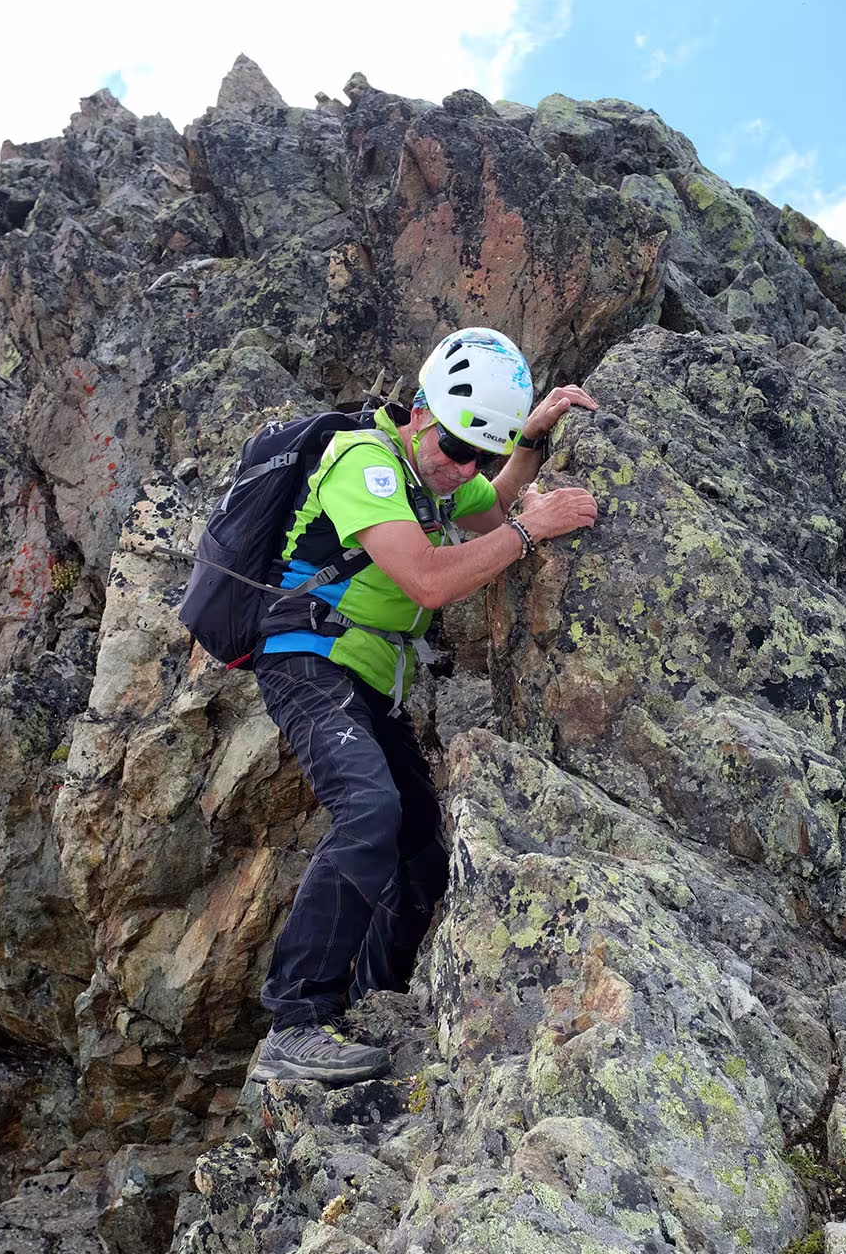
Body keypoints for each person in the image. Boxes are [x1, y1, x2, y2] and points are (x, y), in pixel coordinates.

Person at [248, 327, 598, 1085]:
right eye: (454, 447)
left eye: (479, 452)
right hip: (308, 660)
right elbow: (431, 582)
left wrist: (528, 447)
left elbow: (487, 509)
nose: (462, 467)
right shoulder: (364, 463)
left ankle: (374, 1003)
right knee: (368, 812)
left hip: (371, 677)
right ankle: (295, 1023)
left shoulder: (440, 472)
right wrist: (531, 529)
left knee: (421, 851)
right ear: (418, 412)